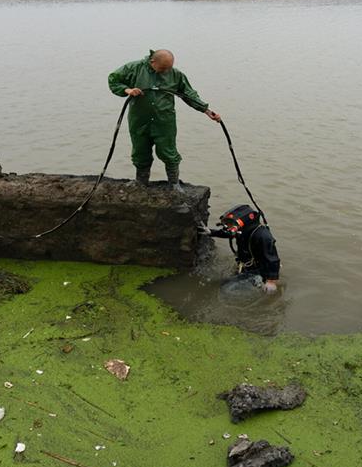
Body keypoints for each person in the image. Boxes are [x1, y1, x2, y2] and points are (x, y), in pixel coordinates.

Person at [108, 49, 220, 191]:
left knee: (168, 152)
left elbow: (189, 94)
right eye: (162, 69)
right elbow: (113, 79)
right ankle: (141, 182)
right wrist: (127, 90)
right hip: (139, 120)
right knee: (140, 151)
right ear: (152, 62)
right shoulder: (134, 68)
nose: (165, 71)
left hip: (164, 121)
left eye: (168, 68)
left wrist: (206, 110)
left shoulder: (175, 74)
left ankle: (174, 184)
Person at [199, 204, 280, 294]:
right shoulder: (241, 230)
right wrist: (211, 232)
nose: (229, 228)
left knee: (226, 290)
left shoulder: (263, 236)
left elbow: (273, 259)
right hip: (245, 266)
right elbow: (228, 233)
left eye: (231, 225)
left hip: (258, 271)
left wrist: (271, 281)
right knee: (222, 284)